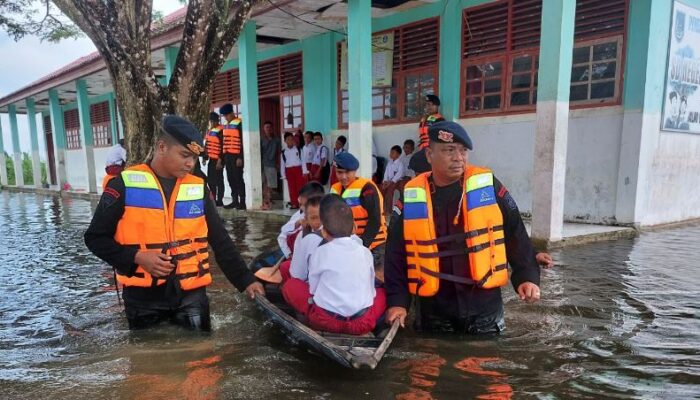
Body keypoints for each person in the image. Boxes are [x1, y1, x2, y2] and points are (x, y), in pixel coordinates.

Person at [84, 115, 264, 331]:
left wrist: (246, 281)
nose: (191, 163)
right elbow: (95, 238)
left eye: (195, 158)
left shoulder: (197, 189)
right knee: (147, 363)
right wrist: (137, 257)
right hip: (142, 301)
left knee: (202, 359)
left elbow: (221, 241)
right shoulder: (123, 185)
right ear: (162, 147)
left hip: (191, 296)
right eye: (184, 155)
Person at [384, 121, 541, 335]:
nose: (458, 158)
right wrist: (397, 301)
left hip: (483, 304)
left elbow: (515, 232)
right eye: (449, 150)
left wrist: (526, 276)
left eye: (463, 150)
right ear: (429, 155)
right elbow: (395, 252)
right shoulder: (411, 197)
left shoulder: (487, 186)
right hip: (434, 307)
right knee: (431, 363)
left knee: (486, 364)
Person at [281, 194, 387, 335]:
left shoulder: (320, 252)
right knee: (383, 293)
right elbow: (371, 290)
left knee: (290, 285)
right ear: (354, 228)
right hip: (362, 323)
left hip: (325, 321)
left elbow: (313, 289)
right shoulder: (365, 252)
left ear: (324, 232)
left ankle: (306, 321)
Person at [330, 152, 387, 270]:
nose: (344, 176)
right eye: (340, 172)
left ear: (354, 171)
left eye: (347, 172)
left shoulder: (367, 188)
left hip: (374, 246)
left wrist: (362, 247)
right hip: (350, 246)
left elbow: (375, 220)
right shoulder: (335, 189)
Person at [279, 194, 323, 282]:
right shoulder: (303, 231)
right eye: (314, 218)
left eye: (321, 217)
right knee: (285, 267)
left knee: (291, 284)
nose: (318, 222)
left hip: (317, 285)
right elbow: (283, 233)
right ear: (306, 218)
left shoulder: (306, 237)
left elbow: (298, 275)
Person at [277, 181, 325, 259]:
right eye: (300, 204)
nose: (301, 208)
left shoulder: (327, 219)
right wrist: (289, 255)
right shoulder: (299, 215)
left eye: (305, 205)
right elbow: (282, 236)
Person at [220, 103, 246, 210]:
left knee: (238, 178)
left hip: (236, 156)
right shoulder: (226, 126)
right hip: (228, 156)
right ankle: (234, 200)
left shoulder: (239, 123)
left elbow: (242, 141)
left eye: (227, 115)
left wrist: (240, 157)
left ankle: (242, 202)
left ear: (232, 113)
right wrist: (222, 158)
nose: (226, 117)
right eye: (224, 116)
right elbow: (224, 142)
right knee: (230, 179)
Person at [202, 112, 224, 206]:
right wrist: (204, 157)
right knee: (211, 181)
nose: (211, 123)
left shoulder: (221, 131)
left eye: (212, 121)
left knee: (219, 181)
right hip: (211, 159)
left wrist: (220, 160)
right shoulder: (210, 131)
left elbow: (223, 146)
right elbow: (207, 145)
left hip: (218, 160)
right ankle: (213, 199)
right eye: (210, 121)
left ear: (216, 121)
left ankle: (220, 200)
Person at [280, 132, 305, 209]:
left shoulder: (298, 149)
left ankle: (301, 203)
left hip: (298, 169)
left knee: (300, 187)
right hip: (289, 170)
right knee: (291, 188)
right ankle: (294, 203)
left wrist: (304, 171)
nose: (290, 141)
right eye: (288, 139)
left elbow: (303, 160)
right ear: (285, 141)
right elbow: (282, 164)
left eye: (291, 139)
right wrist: (283, 174)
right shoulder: (283, 152)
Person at [260, 121, 281, 210]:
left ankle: (268, 201)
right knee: (264, 184)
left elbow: (279, 152)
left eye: (269, 127)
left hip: (272, 164)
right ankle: (266, 202)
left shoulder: (276, 139)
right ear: (263, 129)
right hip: (263, 164)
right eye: (266, 127)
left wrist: (278, 163)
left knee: (271, 185)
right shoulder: (261, 139)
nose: (268, 129)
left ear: (272, 128)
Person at [381, 145, 405, 217]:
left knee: (390, 192)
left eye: (393, 152)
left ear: (398, 154)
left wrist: (390, 182)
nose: (390, 154)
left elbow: (398, 175)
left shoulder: (400, 164)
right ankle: (382, 209)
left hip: (396, 181)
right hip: (388, 181)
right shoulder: (389, 162)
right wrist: (385, 181)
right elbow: (386, 173)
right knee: (381, 190)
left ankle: (389, 211)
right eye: (390, 152)